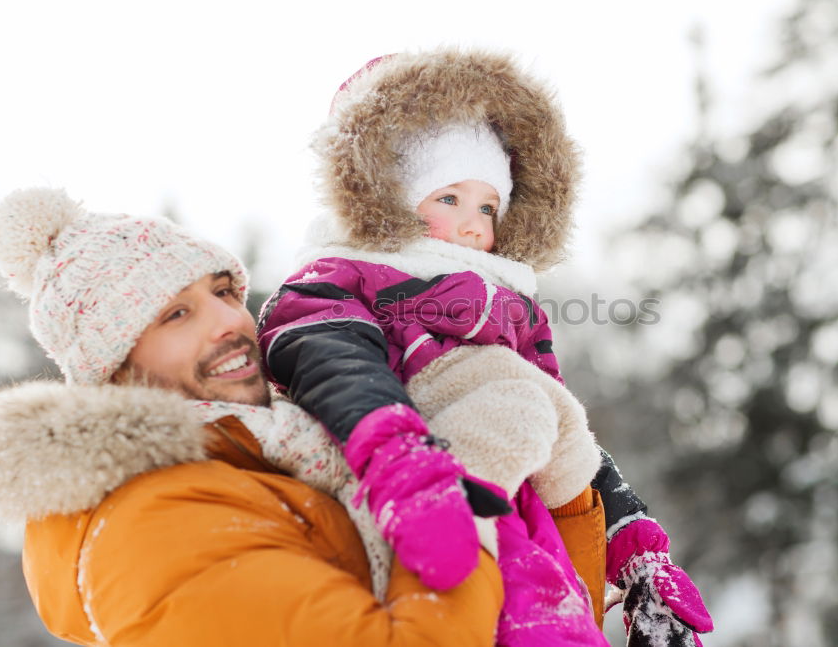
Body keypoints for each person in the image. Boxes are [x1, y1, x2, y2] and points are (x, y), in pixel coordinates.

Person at [0, 187, 610, 646]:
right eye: (174, 315)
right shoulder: (150, 527)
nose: (230, 322)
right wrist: (470, 491)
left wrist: (564, 502)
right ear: (113, 368)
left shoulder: (289, 449)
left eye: (224, 291)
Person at [256, 49, 713, 646]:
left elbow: (564, 437)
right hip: (414, 495)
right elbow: (334, 365)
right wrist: (410, 472)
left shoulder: (510, 306)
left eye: (488, 207)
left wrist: (636, 549)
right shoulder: (345, 276)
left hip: (530, 516)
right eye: (448, 199)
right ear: (384, 198)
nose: (473, 225)